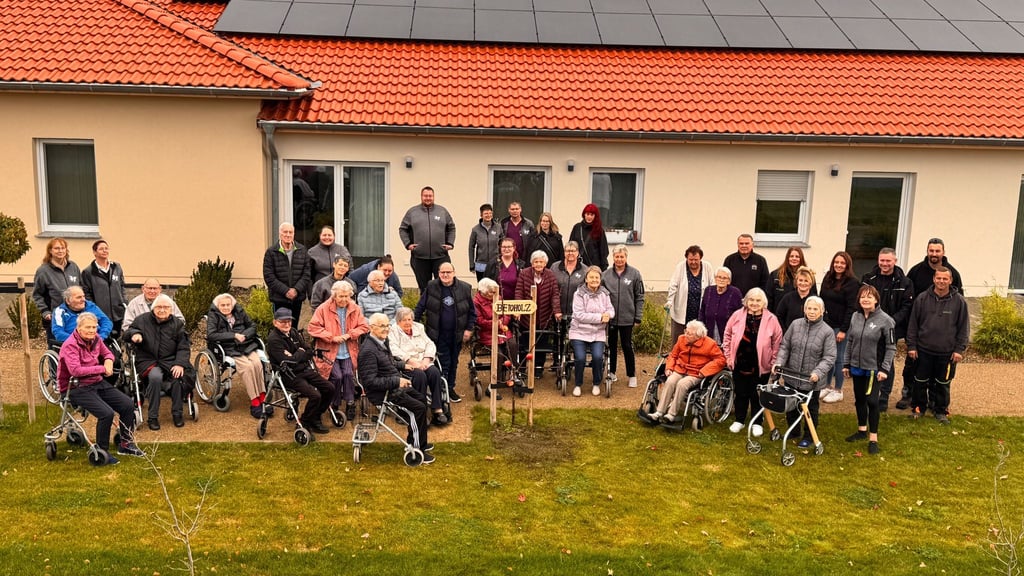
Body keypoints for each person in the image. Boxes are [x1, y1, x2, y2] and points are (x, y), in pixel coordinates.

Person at [58, 312, 142, 465]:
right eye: (88, 327)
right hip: (75, 386)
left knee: (127, 404)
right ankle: (102, 450)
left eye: (94, 327)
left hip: (96, 382)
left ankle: (126, 444)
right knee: (106, 413)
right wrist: (102, 369)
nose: (92, 330)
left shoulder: (96, 339)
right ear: (79, 328)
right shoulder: (70, 345)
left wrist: (109, 361)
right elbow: (75, 370)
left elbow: (108, 353)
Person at [358, 313, 434, 463]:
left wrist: (403, 365)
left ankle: (418, 441)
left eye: (387, 325)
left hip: (393, 388)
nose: (387, 329)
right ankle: (417, 450)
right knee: (417, 408)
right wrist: (396, 381)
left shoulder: (381, 341)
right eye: (382, 326)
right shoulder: (368, 351)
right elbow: (370, 381)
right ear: (371, 328)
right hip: (383, 393)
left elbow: (389, 362)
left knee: (421, 400)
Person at [906, 267, 969, 425]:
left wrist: (959, 350)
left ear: (950, 280)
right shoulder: (922, 298)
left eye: (945, 279)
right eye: (939, 278)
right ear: (934, 279)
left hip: (946, 353)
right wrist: (912, 346)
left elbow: (963, 327)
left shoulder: (959, 301)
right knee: (920, 382)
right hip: (923, 350)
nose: (941, 281)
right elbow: (913, 324)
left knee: (943, 384)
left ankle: (940, 410)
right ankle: (919, 408)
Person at [775, 296, 837, 448]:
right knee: (791, 406)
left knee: (810, 409)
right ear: (804, 309)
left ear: (822, 311)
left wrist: (818, 372)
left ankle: (809, 436)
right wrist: (779, 363)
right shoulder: (795, 325)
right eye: (809, 308)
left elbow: (829, 357)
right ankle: (794, 431)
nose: (811, 311)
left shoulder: (827, 332)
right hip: (792, 375)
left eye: (815, 309)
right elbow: (785, 346)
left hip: (811, 379)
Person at [125, 294, 193, 431]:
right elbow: (127, 333)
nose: (162, 310)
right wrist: (134, 334)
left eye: (166, 307)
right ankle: (153, 417)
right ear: (153, 308)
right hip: (148, 360)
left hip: (170, 360)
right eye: (159, 307)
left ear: (171, 309)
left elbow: (183, 347)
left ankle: (177, 413)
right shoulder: (142, 320)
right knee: (155, 377)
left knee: (178, 377)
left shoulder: (177, 324)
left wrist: (179, 363)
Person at [722, 288, 783, 437]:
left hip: (761, 364)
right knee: (741, 392)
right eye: (752, 300)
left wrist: (774, 362)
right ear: (746, 301)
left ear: (764, 303)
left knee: (757, 395)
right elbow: (727, 335)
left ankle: (757, 422)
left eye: (758, 300)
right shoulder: (737, 315)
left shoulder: (771, 319)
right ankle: (739, 420)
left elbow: (777, 342)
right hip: (740, 361)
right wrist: (729, 357)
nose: (754, 303)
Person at [843, 285, 896, 455]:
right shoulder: (855, 317)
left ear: (876, 299)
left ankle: (873, 438)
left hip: (875, 369)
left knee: (872, 401)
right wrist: (846, 364)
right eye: (862, 297)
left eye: (869, 297)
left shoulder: (886, 320)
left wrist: (885, 369)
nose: (866, 299)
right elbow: (850, 341)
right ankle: (861, 430)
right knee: (859, 400)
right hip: (857, 367)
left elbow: (891, 347)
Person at [307, 281, 369, 423]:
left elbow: (364, 326)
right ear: (334, 295)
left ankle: (350, 403)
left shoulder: (355, 308)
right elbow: (312, 328)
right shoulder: (323, 308)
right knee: (336, 376)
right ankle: (334, 404)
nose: (344, 299)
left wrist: (350, 334)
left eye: (347, 296)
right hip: (329, 352)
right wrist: (331, 337)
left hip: (348, 350)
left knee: (348, 374)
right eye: (341, 296)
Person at [861, 248, 914, 411]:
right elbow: (862, 300)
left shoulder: (904, 282)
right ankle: (869, 394)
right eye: (882, 260)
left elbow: (907, 307)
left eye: (888, 261)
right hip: (870, 326)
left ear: (895, 261)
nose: (885, 264)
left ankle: (883, 397)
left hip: (892, 328)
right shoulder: (868, 278)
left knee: (887, 362)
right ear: (878, 260)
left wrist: (890, 321)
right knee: (869, 360)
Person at [266, 308, 335, 434]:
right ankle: (305, 422)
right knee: (315, 395)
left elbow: (309, 351)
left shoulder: (293, 332)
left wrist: (296, 355)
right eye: (283, 322)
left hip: (304, 369)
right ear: (275, 322)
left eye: (289, 321)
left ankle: (315, 417)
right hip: (288, 375)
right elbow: (288, 362)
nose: (287, 324)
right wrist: (299, 352)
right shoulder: (274, 340)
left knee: (329, 388)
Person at [414, 262, 475, 402]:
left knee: (454, 362)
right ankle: (441, 388)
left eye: (448, 272)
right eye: (442, 272)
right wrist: (415, 326)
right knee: (443, 361)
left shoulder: (465, 288)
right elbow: (420, 307)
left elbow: (472, 312)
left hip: (457, 334)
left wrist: (468, 329)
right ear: (439, 273)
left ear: (454, 273)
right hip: (437, 334)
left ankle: (450, 387)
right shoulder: (431, 287)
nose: (445, 275)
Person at [644, 320, 727, 424]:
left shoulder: (710, 344)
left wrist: (704, 371)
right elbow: (673, 355)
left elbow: (720, 360)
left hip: (696, 372)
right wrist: (669, 368)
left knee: (682, 384)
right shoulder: (681, 339)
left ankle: (671, 414)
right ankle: (659, 412)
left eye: (689, 333)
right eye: (686, 331)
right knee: (670, 382)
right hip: (680, 369)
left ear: (698, 336)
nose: (686, 335)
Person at [206, 293, 268, 419]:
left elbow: (253, 326)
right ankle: (255, 402)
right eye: (222, 305)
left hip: (247, 345)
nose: (225, 307)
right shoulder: (214, 315)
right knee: (247, 368)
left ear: (232, 305)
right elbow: (211, 335)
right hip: (229, 348)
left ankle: (263, 398)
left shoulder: (239, 311)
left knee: (257, 364)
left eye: (228, 304)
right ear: (218, 306)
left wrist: (244, 335)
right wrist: (233, 336)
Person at [388, 307, 450, 426]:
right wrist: (411, 361)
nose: (407, 322)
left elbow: (429, 343)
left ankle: (437, 409)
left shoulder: (419, 327)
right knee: (420, 376)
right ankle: (421, 411)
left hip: (424, 361)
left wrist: (427, 359)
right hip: (407, 364)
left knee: (435, 373)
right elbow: (394, 350)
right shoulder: (393, 331)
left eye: (409, 319)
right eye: (403, 320)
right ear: (398, 322)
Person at [818, 251, 859, 404]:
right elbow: (821, 300)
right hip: (826, 324)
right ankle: (827, 386)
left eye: (842, 263)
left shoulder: (852, 283)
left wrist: (843, 329)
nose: (839, 265)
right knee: (827, 357)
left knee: (839, 359)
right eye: (836, 262)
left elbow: (851, 308)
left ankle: (838, 389)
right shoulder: (828, 278)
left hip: (841, 327)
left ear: (847, 265)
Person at [567, 266, 614, 396]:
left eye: (597, 277)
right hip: (579, 332)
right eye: (591, 277)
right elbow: (579, 315)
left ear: (600, 279)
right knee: (580, 358)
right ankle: (578, 384)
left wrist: (608, 315)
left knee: (598, 357)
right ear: (586, 279)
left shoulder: (605, 294)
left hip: (598, 333)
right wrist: (600, 317)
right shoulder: (579, 294)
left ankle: (596, 383)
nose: (594, 280)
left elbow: (611, 310)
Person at [515, 251, 562, 379]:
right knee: (525, 343)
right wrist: (518, 309)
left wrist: (557, 311)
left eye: (541, 262)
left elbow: (555, 295)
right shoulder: (524, 273)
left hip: (544, 316)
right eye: (536, 261)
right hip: (527, 316)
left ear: (545, 263)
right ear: (532, 263)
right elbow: (519, 292)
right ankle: (524, 368)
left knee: (541, 343)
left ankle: (539, 368)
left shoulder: (550, 275)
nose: (538, 264)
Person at [399, 186, 456, 291]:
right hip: (419, 257)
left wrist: (450, 243)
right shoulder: (412, 212)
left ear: (433, 197)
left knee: (443, 287)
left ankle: (442, 307)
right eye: (425, 196)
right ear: (421, 196)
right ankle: (426, 307)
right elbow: (403, 229)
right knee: (424, 289)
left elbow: (451, 228)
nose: (428, 198)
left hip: (440, 256)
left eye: (430, 196)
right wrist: (408, 244)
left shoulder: (442, 211)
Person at [602, 245, 644, 388]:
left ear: (626, 257)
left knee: (627, 346)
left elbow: (639, 296)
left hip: (628, 318)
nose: (619, 259)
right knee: (611, 346)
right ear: (612, 257)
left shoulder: (635, 274)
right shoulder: (605, 275)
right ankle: (612, 372)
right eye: (616, 256)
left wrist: (638, 316)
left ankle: (631, 375)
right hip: (611, 318)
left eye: (622, 257)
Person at [473, 278, 518, 398]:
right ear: (483, 292)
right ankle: (494, 383)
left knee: (513, 344)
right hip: (487, 333)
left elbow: (507, 313)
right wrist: (494, 323)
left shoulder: (499, 298)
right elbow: (479, 320)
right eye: (491, 292)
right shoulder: (476, 302)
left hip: (503, 331)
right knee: (498, 354)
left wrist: (502, 321)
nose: (494, 294)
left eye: (495, 292)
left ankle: (514, 375)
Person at [32, 237, 81, 341]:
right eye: (57, 248)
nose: (60, 251)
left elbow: (81, 289)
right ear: (50, 251)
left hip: (75, 316)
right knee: (57, 348)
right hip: (55, 317)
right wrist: (45, 312)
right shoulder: (43, 271)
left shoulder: (73, 267)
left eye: (63, 248)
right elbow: (37, 295)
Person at [263, 222, 310, 325]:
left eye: (291, 232)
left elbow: (306, 274)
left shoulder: (302, 250)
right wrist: (285, 291)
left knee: (294, 326)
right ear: (280, 234)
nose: (288, 235)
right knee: (281, 326)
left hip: (297, 297)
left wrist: (296, 290)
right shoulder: (271, 252)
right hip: (279, 298)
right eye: (285, 232)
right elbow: (269, 276)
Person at [80, 239, 127, 339]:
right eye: (101, 249)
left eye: (106, 248)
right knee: (103, 340)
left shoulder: (116, 267)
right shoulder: (88, 272)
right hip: (100, 314)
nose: (105, 251)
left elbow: (122, 285)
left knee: (117, 339)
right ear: (94, 252)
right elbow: (86, 293)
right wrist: (93, 309)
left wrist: (123, 301)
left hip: (117, 313)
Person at [667, 245, 715, 343]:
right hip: (682, 310)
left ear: (700, 258)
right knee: (679, 338)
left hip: (700, 310)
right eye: (690, 259)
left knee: (698, 338)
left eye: (696, 259)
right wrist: (669, 301)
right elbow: (673, 285)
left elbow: (712, 285)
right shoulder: (681, 267)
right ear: (687, 258)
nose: (693, 262)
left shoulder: (707, 267)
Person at [552, 241, 587, 368]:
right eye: (568, 251)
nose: (570, 253)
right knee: (558, 336)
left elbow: (586, 291)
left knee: (574, 336)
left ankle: (572, 361)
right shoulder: (555, 267)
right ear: (564, 252)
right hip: (558, 308)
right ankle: (557, 361)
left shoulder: (584, 269)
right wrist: (556, 308)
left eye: (573, 251)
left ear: (578, 253)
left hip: (576, 310)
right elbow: (552, 287)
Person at [699, 267, 743, 344]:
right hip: (709, 329)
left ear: (729, 281)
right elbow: (702, 310)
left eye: (725, 278)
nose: (721, 280)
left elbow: (740, 314)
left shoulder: (735, 292)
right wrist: (701, 327)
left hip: (728, 332)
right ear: (715, 279)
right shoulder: (708, 290)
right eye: (719, 277)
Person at [722, 234, 770, 298]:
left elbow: (765, 282)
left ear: (752, 245)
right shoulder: (729, 260)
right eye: (741, 243)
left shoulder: (760, 261)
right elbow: (724, 280)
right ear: (738, 245)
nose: (744, 246)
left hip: (753, 300)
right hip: (732, 299)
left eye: (747, 243)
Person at [774, 266, 818, 332]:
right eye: (800, 280)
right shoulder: (788, 298)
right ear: (796, 282)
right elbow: (779, 316)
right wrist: (786, 332)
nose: (803, 283)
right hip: (790, 337)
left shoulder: (816, 300)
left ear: (810, 283)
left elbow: (821, 319)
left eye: (806, 281)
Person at [568, 204, 609, 270]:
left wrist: (603, 268)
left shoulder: (599, 230)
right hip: (578, 265)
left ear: (595, 216)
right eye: (587, 214)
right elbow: (571, 246)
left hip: (594, 266)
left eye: (592, 215)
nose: (589, 217)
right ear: (584, 214)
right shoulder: (577, 227)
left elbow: (604, 251)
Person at [485, 237, 526, 302]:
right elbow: (486, 284)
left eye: (509, 247)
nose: (506, 249)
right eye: (504, 247)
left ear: (514, 248)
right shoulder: (492, 264)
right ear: (500, 248)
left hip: (515, 304)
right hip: (496, 303)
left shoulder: (521, 265)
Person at [768, 246, 808, 313]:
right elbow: (769, 297)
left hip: (800, 317)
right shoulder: (775, 275)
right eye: (791, 256)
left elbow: (813, 296)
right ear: (787, 258)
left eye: (797, 256)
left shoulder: (808, 276)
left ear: (801, 258)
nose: (794, 258)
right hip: (778, 315)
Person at [468, 203, 502, 280]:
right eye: (486, 213)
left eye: (490, 213)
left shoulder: (498, 228)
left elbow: (502, 244)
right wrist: (471, 264)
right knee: (482, 287)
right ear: (481, 215)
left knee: (494, 287)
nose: (488, 215)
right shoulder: (475, 229)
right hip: (481, 265)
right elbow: (471, 247)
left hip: (495, 263)